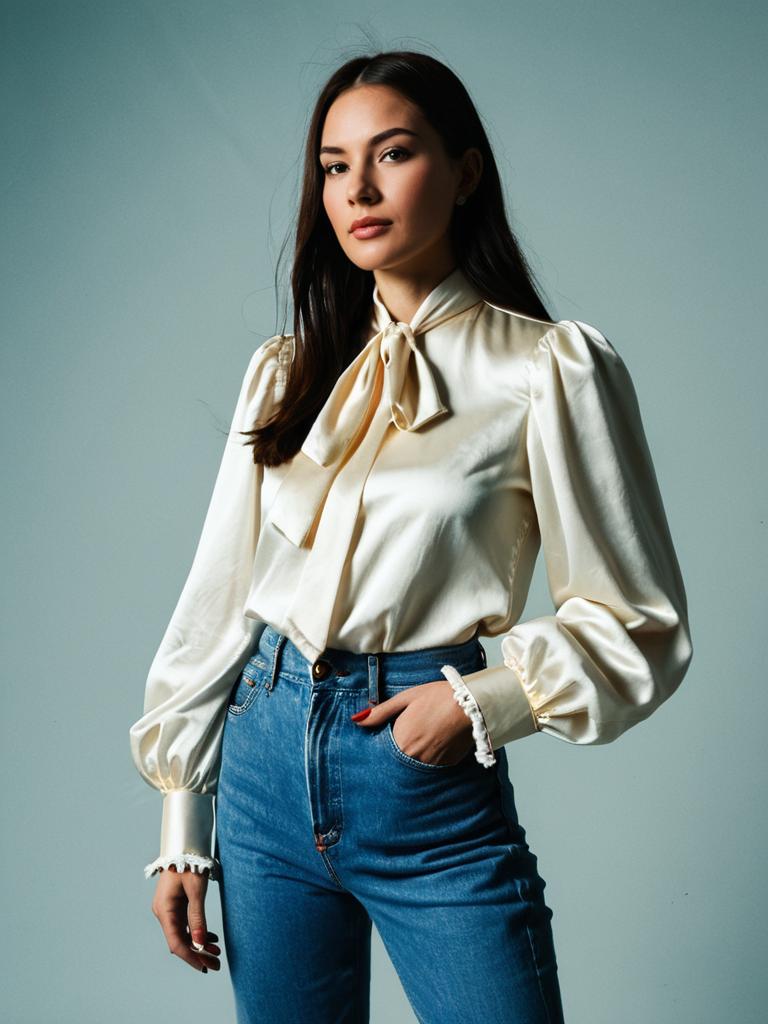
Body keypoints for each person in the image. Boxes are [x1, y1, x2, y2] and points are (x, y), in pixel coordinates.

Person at [128, 50, 693, 1024]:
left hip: (421, 771)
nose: (360, 188)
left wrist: (482, 700)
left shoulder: (548, 370)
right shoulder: (286, 373)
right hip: (260, 763)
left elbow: (641, 620)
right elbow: (219, 601)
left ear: (464, 172)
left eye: (392, 154)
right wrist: (185, 819)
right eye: (335, 165)